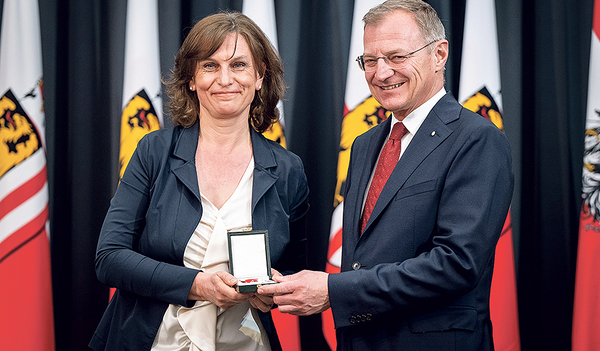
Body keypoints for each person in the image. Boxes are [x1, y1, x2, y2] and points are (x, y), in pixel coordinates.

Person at [258, 1, 514, 350]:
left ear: (439, 54)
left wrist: (333, 291)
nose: (381, 73)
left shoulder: (477, 140)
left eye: (396, 57)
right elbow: (364, 256)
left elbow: (456, 264)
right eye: (370, 61)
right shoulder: (364, 144)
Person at [89, 11, 309, 351]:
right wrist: (198, 284)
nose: (225, 78)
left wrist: (273, 292)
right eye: (209, 65)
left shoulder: (288, 169)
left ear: (260, 76)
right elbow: (110, 258)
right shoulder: (154, 152)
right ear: (191, 79)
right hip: (153, 342)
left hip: (246, 343)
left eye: (238, 65)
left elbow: (292, 273)